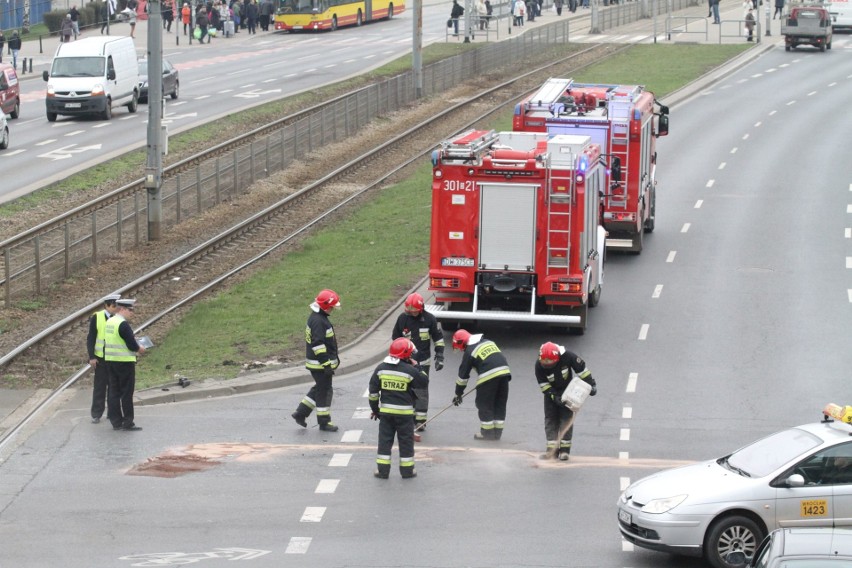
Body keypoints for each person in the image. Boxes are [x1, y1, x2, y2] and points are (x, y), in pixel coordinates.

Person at [368, 338, 429, 479]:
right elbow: (423, 382)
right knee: (406, 442)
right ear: (406, 354)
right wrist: (418, 367)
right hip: (405, 415)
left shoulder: (380, 369)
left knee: (384, 442)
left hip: (386, 415)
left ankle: (382, 472)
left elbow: (373, 393)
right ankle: (407, 472)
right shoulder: (409, 370)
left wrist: (375, 410)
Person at [391, 293, 444, 437]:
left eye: (414, 309)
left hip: (423, 362)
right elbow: (395, 338)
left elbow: (438, 338)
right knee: (406, 389)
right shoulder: (403, 319)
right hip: (405, 362)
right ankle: (408, 418)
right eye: (409, 309)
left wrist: (439, 356)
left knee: (421, 390)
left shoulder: (429, 319)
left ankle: (420, 421)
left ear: (421, 308)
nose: (411, 311)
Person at [534, 342, 596, 460]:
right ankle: (551, 451)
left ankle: (564, 451)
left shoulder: (568, 356)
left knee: (566, 419)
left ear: (557, 358)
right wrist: (554, 397)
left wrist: (591, 385)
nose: (547, 366)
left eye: (550, 363)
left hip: (568, 391)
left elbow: (582, 371)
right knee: (550, 420)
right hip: (551, 393)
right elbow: (544, 384)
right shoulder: (538, 364)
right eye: (544, 363)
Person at [292, 289, 341, 432]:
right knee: (324, 391)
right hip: (320, 364)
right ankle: (324, 422)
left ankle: (300, 413)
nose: (333, 309)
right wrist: (326, 364)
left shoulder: (316, 317)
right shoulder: (319, 321)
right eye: (332, 306)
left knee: (319, 387)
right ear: (325, 306)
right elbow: (318, 345)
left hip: (317, 363)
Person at [451, 329, 511, 441]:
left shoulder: (470, 351)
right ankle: (497, 433)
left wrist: (458, 394)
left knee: (484, 403)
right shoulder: (488, 341)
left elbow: (462, 376)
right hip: (504, 373)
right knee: (499, 403)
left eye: (460, 348)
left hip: (488, 375)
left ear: (462, 342)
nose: (461, 350)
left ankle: (487, 433)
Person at [105, 298, 146, 431]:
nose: (132, 313)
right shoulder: (123, 324)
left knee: (113, 392)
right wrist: (140, 348)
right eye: (130, 310)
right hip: (124, 362)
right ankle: (128, 422)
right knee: (126, 393)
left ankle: (116, 421)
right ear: (122, 309)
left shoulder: (110, 321)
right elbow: (131, 345)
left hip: (111, 360)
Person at [86, 293, 121, 424]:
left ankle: (112, 413)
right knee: (100, 386)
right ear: (106, 305)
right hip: (101, 358)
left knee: (114, 386)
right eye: (113, 306)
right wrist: (92, 357)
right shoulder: (97, 317)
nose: (116, 308)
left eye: (117, 306)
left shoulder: (119, 317)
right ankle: (96, 413)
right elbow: (91, 338)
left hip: (115, 357)